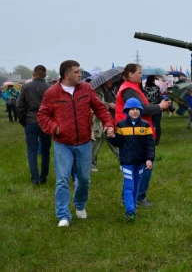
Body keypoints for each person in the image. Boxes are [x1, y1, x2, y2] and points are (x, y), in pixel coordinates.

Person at [37, 60, 115, 228]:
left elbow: (101, 108)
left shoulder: (86, 89)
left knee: (84, 179)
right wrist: (55, 128)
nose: (81, 74)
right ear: (67, 75)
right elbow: (42, 116)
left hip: (84, 142)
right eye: (77, 72)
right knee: (62, 179)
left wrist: (108, 124)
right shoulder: (52, 93)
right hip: (62, 144)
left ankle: (79, 205)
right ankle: (63, 215)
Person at [115, 64, 171, 208]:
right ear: (130, 74)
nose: (142, 75)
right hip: (133, 132)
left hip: (136, 130)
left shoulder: (131, 87)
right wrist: (159, 107)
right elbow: (142, 110)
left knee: (137, 165)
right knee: (144, 164)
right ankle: (137, 197)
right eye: (139, 73)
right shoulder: (128, 89)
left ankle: (130, 197)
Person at [107, 98, 155, 221]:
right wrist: (112, 137)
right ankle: (130, 212)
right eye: (132, 109)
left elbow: (150, 144)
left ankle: (132, 207)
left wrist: (149, 159)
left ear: (140, 110)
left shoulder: (145, 125)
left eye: (137, 109)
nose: (135, 111)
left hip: (140, 162)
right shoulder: (120, 125)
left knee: (136, 186)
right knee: (129, 186)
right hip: (127, 162)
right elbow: (118, 142)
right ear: (126, 111)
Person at [17, 65, 52, 185]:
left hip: (31, 120)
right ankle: (43, 177)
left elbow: (19, 105)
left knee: (32, 151)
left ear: (33, 74)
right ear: (45, 74)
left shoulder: (26, 87)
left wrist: (23, 119)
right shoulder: (49, 88)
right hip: (46, 121)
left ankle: (35, 178)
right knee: (45, 151)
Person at [90, 79, 119, 172]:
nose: (111, 82)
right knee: (95, 145)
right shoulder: (97, 91)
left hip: (110, 121)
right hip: (99, 122)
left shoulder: (110, 91)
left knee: (115, 143)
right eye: (109, 81)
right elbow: (96, 105)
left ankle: (124, 161)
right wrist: (108, 105)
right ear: (103, 82)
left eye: (111, 80)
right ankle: (91, 164)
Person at [142, 75, 163, 145]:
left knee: (148, 124)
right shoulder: (157, 88)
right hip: (157, 107)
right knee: (157, 125)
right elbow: (159, 97)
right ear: (153, 80)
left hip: (148, 109)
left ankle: (149, 138)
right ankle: (157, 139)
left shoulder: (144, 89)